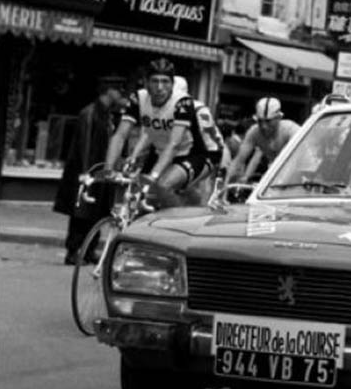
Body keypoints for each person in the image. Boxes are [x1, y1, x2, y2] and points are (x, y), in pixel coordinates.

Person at [103, 59, 223, 207]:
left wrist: (153, 176)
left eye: (165, 82)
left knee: (162, 186)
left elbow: (174, 143)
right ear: (146, 83)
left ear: (173, 85)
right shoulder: (138, 98)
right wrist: (108, 168)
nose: (160, 88)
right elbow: (122, 135)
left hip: (197, 153)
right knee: (138, 189)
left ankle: (175, 224)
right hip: (164, 151)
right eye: (154, 81)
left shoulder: (184, 103)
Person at [54, 75, 124, 265]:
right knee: (81, 214)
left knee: (97, 213)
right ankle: (73, 251)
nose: (120, 95)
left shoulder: (108, 114)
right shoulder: (90, 113)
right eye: (118, 90)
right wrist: (86, 174)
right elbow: (83, 147)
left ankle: (89, 250)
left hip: (101, 174)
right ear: (109, 91)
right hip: (88, 173)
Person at [226, 97, 302, 184]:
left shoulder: (291, 130)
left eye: (268, 121)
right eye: (260, 121)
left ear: (278, 118)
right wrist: (223, 187)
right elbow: (238, 161)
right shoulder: (254, 132)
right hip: (279, 171)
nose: (263, 126)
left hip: (304, 169)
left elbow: (293, 161)